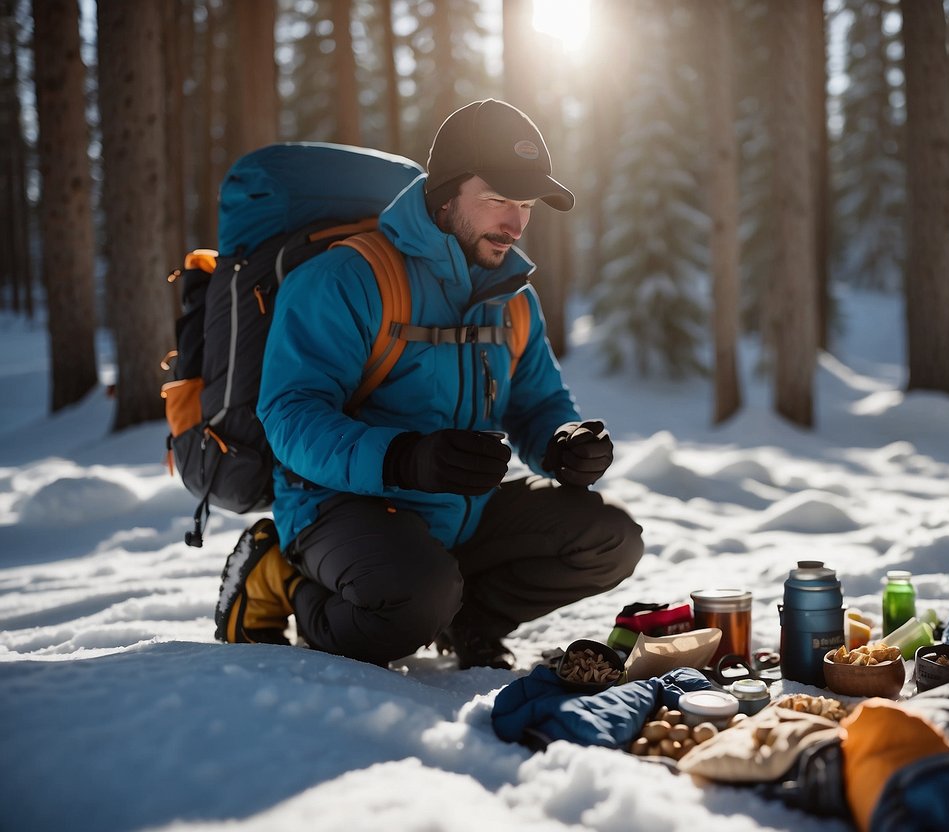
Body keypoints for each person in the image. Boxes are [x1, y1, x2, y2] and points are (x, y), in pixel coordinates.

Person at [214, 99, 644, 670]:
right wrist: (403, 459)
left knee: (611, 537)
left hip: (463, 511)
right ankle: (278, 581)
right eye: (498, 201)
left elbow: (538, 402)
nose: (515, 224)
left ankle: (467, 621)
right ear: (445, 196)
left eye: (525, 205)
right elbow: (291, 414)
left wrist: (562, 444)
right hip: (339, 507)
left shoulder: (513, 297)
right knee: (412, 601)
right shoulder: (349, 278)